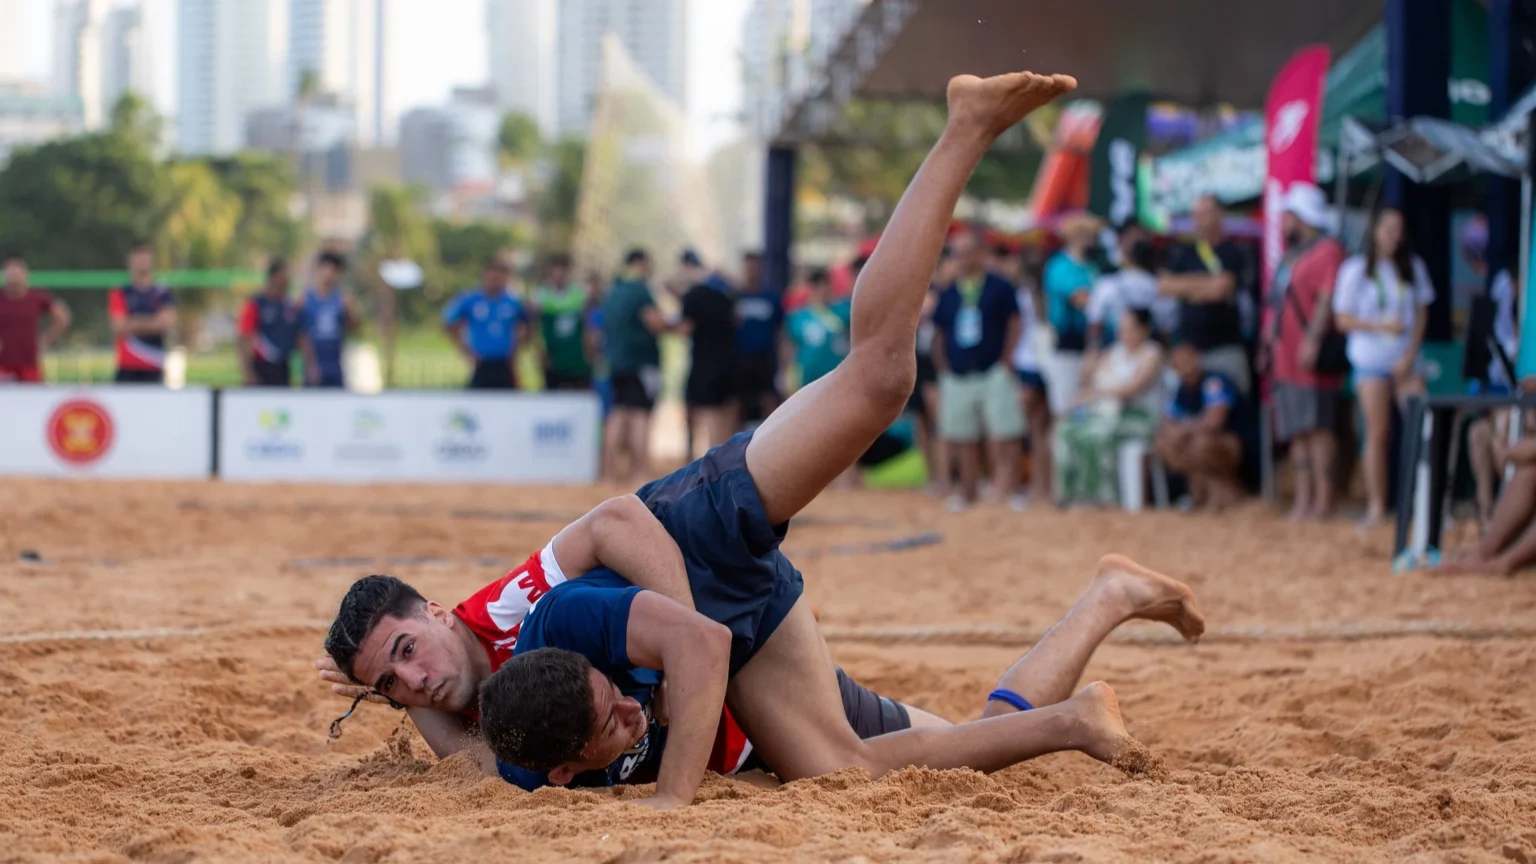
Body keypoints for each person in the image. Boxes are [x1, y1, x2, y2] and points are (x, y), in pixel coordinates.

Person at [466, 73, 1189, 813]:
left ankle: (967, 128)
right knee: (896, 761)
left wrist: (672, 799)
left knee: (880, 379)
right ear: (562, 774)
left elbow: (685, 623)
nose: (628, 710)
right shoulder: (531, 764)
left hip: (695, 534)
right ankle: (1107, 603)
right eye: (610, 724)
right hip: (740, 638)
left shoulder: (564, 625)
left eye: (610, 694)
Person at [1332, 207, 1434, 531]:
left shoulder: (1412, 268)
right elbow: (1342, 319)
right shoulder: (1355, 269)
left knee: (1423, 430)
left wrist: (1409, 354)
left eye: (1398, 229)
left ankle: (1426, 505)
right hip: (1369, 360)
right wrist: (1378, 326)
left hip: (1405, 360)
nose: (1393, 235)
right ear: (1374, 230)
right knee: (1377, 434)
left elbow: (1421, 314)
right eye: (1388, 228)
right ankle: (1377, 507)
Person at [1263, 183, 1347, 521]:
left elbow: (1327, 298)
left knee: (1319, 428)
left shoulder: (1328, 250)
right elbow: (1279, 302)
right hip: (1285, 357)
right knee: (1296, 430)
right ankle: (1303, 500)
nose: (1284, 223)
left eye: (1289, 216)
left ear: (1303, 217)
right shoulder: (1292, 254)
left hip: (1310, 356)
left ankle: (1324, 501)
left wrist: (1312, 339)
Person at [931, 227, 1027, 511]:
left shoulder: (1000, 286)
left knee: (1004, 433)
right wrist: (943, 366)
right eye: (957, 254)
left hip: (993, 368)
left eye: (967, 252)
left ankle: (1009, 489)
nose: (962, 259)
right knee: (962, 436)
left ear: (980, 254)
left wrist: (1008, 359)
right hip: (959, 372)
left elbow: (1015, 322)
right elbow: (938, 332)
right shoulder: (948, 293)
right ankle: (967, 491)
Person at [1053, 308, 1165, 507]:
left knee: (1100, 433)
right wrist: (1088, 367)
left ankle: (1107, 497)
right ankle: (1073, 494)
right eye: (1122, 329)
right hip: (1107, 414)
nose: (1124, 334)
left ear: (1144, 330)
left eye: (1130, 329)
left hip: (1141, 418)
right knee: (1066, 431)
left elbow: (1132, 389)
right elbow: (1089, 383)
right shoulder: (1115, 352)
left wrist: (1098, 393)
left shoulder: (1152, 353)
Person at [1158, 194, 1253, 395]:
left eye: (1204, 213)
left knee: (1232, 408)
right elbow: (1165, 286)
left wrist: (1185, 287)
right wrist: (1204, 284)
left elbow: (1220, 289)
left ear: (1219, 215)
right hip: (1189, 352)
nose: (1198, 219)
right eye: (1195, 214)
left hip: (1224, 348)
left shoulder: (1234, 251)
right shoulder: (1184, 252)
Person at [602, 249, 667, 485]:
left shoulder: (614, 291)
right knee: (640, 415)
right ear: (640, 264)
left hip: (616, 362)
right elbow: (655, 323)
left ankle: (610, 472)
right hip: (641, 362)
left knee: (618, 412)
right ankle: (639, 471)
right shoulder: (640, 291)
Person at [1156, 341, 1245, 511]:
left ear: (1196, 358)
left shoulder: (1214, 381)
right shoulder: (1182, 390)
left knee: (1200, 445)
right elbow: (1167, 420)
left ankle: (1224, 494)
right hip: (1196, 442)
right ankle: (1201, 494)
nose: (1183, 365)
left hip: (1235, 442)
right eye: (1177, 362)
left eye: (1186, 359)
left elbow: (1215, 420)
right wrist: (1175, 433)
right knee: (1165, 444)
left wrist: (1183, 430)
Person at [678, 250, 738, 456]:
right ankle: (719, 461)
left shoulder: (692, 295)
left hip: (703, 363)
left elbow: (685, 329)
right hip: (727, 363)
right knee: (721, 414)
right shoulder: (726, 295)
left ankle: (693, 460)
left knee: (699, 412)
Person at [1041, 213, 1101, 416]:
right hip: (1067, 345)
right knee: (1065, 409)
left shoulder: (1092, 268)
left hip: (1092, 347)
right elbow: (1081, 299)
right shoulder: (1059, 266)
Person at [444, 257, 527, 391]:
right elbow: (448, 323)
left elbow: (526, 324)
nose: (494, 282)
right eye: (492, 278)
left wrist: (518, 347)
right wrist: (465, 350)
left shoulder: (513, 302)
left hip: (505, 362)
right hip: (481, 361)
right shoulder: (471, 300)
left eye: (499, 278)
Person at [1088, 224, 1167, 349]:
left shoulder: (1107, 283)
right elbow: (1165, 331)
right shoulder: (1159, 286)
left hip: (1142, 352)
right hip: (1116, 351)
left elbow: (1095, 322)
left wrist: (1092, 351)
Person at [108, 244, 176, 384]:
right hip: (127, 366)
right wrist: (152, 322)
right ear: (130, 261)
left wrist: (133, 323)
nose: (141, 263)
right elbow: (119, 327)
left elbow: (166, 323)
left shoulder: (163, 293)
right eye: (137, 258)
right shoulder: (120, 292)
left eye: (144, 258)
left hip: (154, 364)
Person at [0, 253, 70, 383]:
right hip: (3, 363)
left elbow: (62, 317)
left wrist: (46, 339)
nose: (14, 278)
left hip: (29, 362)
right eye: (11, 273)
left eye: (17, 273)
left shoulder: (36, 297)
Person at [733, 251, 784, 428]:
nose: (752, 271)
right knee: (737, 403)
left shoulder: (772, 298)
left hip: (765, 358)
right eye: (749, 267)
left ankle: (772, 442)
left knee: (769, 400)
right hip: (741, 359)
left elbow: (780, 332)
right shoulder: (735, 298)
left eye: (756, 267)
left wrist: (783, 364)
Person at [237, 258, 302, 387]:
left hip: (282, 367)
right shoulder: (256, 304)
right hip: (260, 367)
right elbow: (245, 338)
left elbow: (298, 338)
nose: (285, 281)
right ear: (274, 278)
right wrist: (248, 373)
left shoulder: (289, 307)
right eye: (283, 276)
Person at [534, 254, 594, 391]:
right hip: (553, 359)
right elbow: (536, 327)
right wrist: (540, 352)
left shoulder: (579, 294)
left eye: (563, 272)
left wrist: (590, 350)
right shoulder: (541, 295)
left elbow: (587, 326)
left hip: (577, 359)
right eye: (556, 272)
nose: (559, 277)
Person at [300, 251, 356, 389]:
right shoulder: (305, 299)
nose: (331, 275)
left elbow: (353, 328)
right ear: (319, 269)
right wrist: (310, 364)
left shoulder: (342, 298)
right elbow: (301, 334)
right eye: (329, 269)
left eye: (336, 271)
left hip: (335, 367)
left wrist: (349, 310)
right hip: (314, 367)